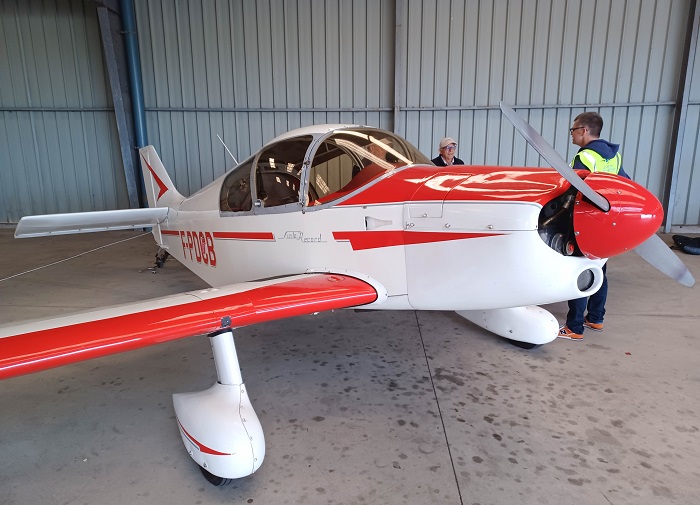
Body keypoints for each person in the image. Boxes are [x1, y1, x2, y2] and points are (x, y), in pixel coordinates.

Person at [558, 111, 628, 341]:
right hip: (607, 223)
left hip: (585, 221)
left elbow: (569, 189)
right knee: (599, 268)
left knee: (579, 271)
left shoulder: (585, 157)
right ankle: (596, 318)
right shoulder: (614, 156)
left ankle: (574, 327)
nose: (571, 134)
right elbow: (625, 183)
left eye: (573, 129)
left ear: (584, 130)